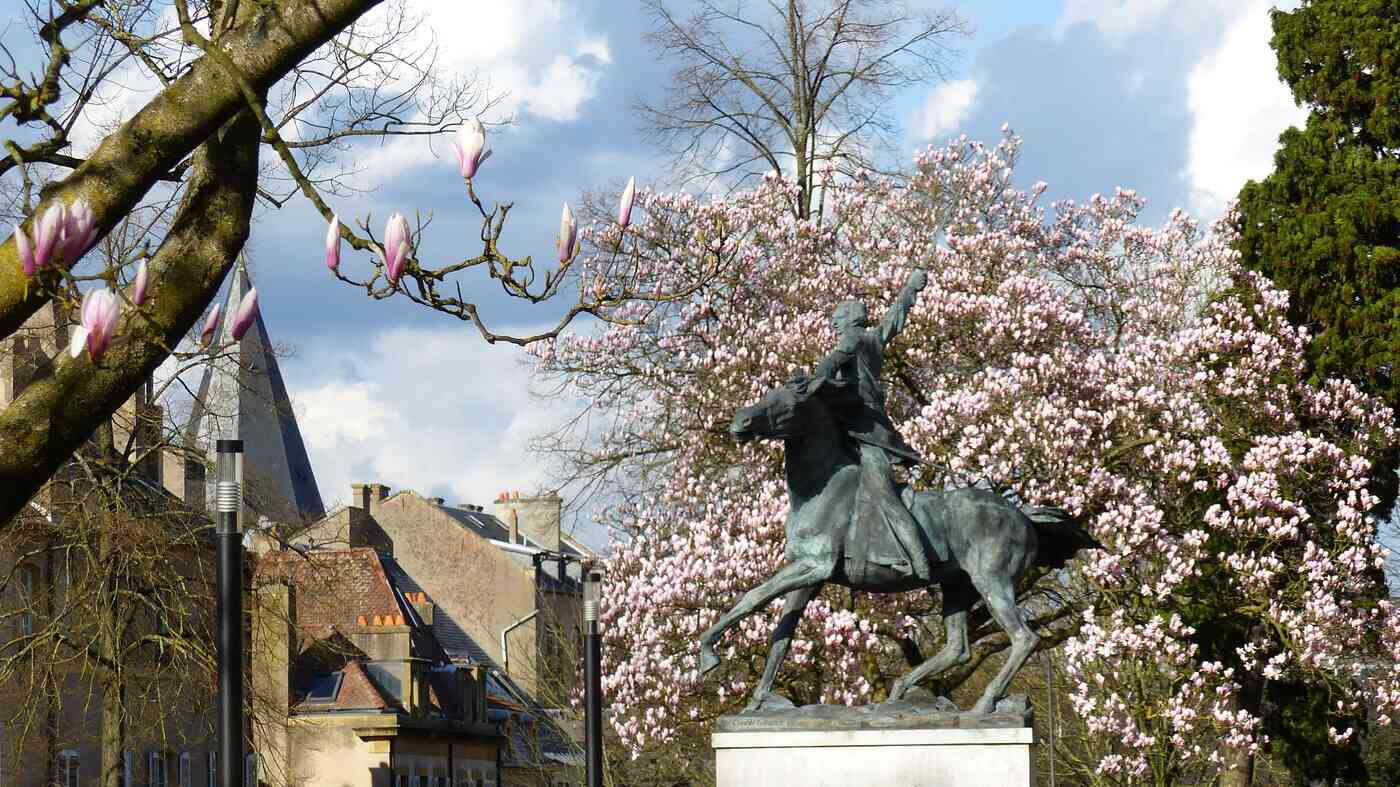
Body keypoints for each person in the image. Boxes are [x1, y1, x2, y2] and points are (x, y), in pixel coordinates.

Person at [804, 267, 930, 580]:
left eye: (837, 318)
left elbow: (828, 366)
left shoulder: (851, 340)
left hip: (867, 432)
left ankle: (919, 560)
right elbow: (894, 318)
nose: (833, 324)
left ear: (850, 320)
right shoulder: (874, 339)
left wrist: (809, 386)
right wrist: (911, 288)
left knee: (884, 496)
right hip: (864, 430)